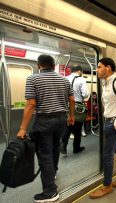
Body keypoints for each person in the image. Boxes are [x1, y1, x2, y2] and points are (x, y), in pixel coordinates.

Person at [16, 54, 74, 202]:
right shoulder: (64, 80)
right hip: (61, 119)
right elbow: (72, 99)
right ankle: (52, 173)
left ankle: (50, 192)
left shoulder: (33, 79)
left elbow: (31, 104)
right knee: (54, 149)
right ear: (53, 66)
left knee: (44, 154)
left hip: (44, 121)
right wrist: (71, 116)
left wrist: (23, 128)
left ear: (39, 65)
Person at [89, 57, 116, 199]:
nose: (97, 70)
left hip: (115, 122)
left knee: (107, 154)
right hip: (110, 121)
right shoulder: (106, 83)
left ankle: (106, 186)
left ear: (108, 68)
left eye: (99, 67)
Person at [60, 65, 89, 154]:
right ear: (80, 71)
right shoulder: (81, 79)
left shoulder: (64, 79)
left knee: (68, 126)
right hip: (77, 106)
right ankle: (76, 148)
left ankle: (63, 145)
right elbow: (85, 94)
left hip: (65, 105)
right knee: (77, 128)